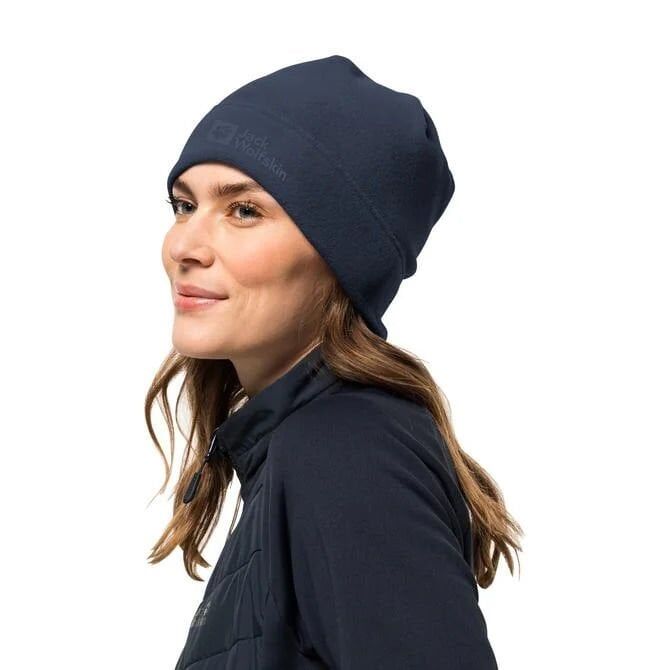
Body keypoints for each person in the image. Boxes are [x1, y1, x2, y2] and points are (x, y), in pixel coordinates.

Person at [146, 54, 522, 669]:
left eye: (244, 211)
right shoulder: (302, 448)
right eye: (184, 205)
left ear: (341, 257)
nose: (182, 245)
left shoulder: (346, 451)